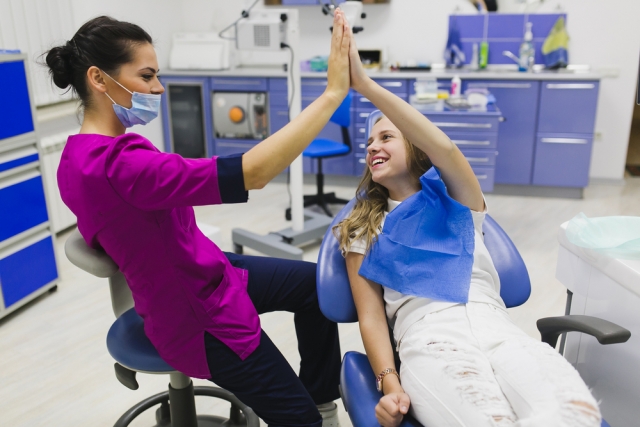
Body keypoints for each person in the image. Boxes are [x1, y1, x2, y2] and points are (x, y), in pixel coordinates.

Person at [45, 11, 352, 427]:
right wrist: (332, 94)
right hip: (197, 314)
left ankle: (319, 399)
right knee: (301, 423)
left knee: (316, 289)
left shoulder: (74, 158)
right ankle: (310, 417)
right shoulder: (121, 165)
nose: (158, 88)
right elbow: (254, 172)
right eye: (147, 76)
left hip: (204, 270)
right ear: (99, 79)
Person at [334, 28, 602, 427]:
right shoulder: (361, 229)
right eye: (369, 142)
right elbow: (371, 317)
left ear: (416, 147)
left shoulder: (457, 201)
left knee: (574, 412)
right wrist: (391, 386)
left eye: (386, 136)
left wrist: (366, 85)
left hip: (498, 330)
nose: (372, 147)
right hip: (431, 341)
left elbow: (445, 149)